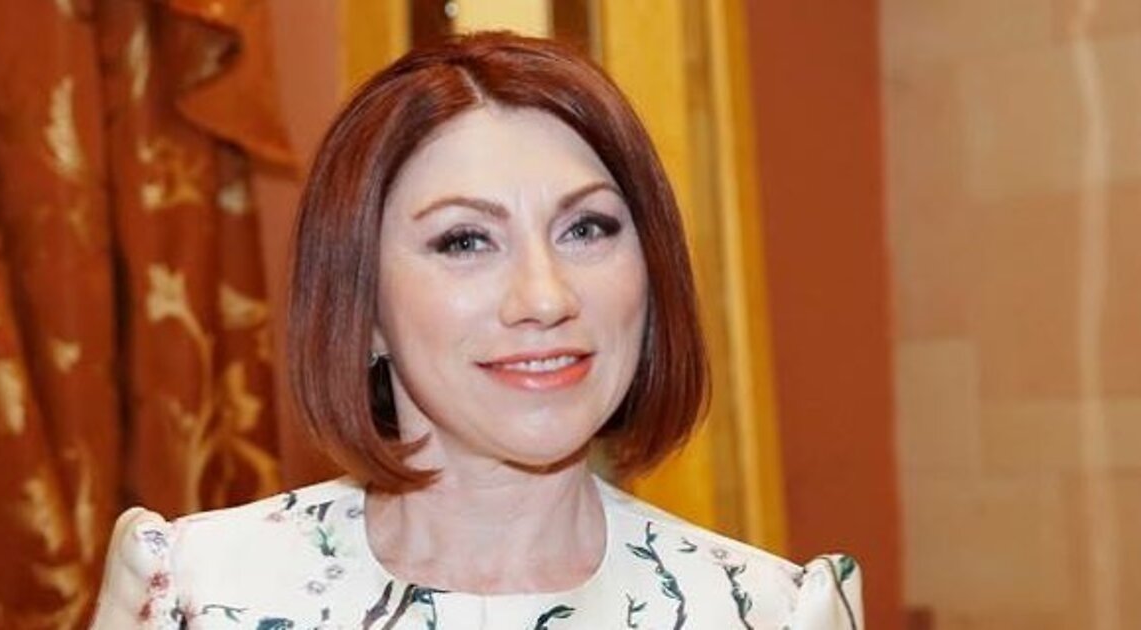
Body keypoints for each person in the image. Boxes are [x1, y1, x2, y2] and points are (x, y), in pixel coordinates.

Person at [91, 32, 863, 629]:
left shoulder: (765, 612)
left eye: (587, 228)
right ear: (362, 309)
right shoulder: (198, 596)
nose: (545, 297)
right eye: (465, 241)